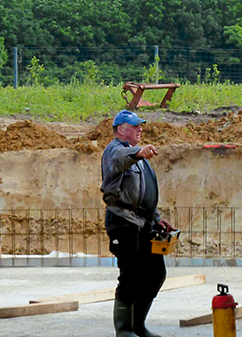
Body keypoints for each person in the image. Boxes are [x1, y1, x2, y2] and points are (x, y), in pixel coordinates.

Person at [101, 110, 175, 337]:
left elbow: (144, 193)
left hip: (142, 223)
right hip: (122, 223)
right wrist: (138, 151)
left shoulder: (141, 161)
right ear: (121, 128)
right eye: (135, 126)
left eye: (140, 126)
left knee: (155, 273)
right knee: (131, 274)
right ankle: (124, 330)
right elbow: (121, 158)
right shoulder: (114, 150)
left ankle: (137, 326)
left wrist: (156, 218)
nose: (140, 129)